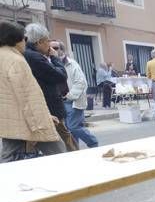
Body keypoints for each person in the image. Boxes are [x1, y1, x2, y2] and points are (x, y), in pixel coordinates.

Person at [0, 21, 65, 162]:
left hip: (8, 121)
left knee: (8, 158)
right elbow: (28, 96)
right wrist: (45, 118)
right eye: (25, 38)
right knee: (60, 154)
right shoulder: (16, 60)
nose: (26, 42)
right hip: (30, 121)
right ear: (16, 39)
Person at [24, 23, 77, 152]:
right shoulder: (34, 57)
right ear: (40, 41)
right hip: (50, 108)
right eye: (48, 41)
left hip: (44, 107)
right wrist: (54, 57)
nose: (50, 46)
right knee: (65, 141)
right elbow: (61, 75)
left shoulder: (31, 55)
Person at [51, 40, 98, 148]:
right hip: (60, 101)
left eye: (56, 48)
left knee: (73, 126)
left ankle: (93, 142)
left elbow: (81, 82)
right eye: (50, 48)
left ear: (62, 50)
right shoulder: (51, 64)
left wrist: (70, 96)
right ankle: (75, 149)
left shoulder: (71, 64)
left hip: (73, 100)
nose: (52, 50)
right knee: (68, 129)